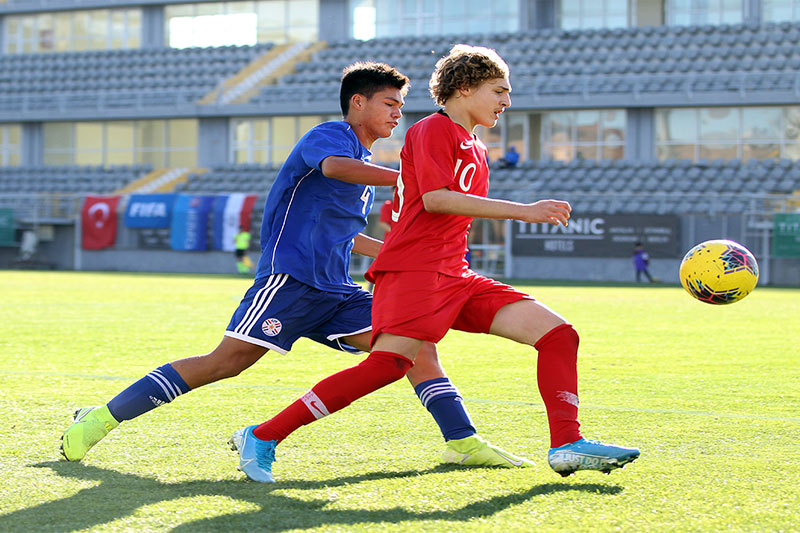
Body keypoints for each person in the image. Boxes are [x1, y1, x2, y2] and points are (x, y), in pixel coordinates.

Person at [60, 61, 530, 474]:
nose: (396, 114)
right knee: (225, 363)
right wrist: (411, 175)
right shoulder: (332, 136)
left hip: (336, 290)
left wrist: (397, 256)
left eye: (401, 106)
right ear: (358, 102)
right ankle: (100, 417)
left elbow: (347, 237)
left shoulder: (364, 159)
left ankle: (463, 442)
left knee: (412, 349)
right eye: (389, 103)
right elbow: (333, 168)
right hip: (289, 281)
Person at [235, 45, 639, 482]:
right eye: (499, 90)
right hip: (416, 273)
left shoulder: (475, 146)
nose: (507, 101)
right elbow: (436, 199)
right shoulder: (432, 130)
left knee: (559, 335)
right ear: (463, 89)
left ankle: (567, 444)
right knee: (386, 366)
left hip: (455, 274)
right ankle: (264, 435)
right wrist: (525, 210)